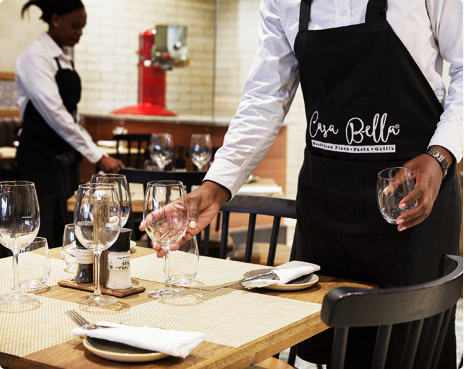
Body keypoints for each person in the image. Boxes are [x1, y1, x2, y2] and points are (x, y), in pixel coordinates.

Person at [143, 0, 462, 367]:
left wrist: (440, 155)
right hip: (327, 212)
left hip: (411, 206)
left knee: (406, 352)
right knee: (323, 343)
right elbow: (264, 99)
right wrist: (213, 188)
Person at [15, 0, 124, 248]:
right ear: (55, 19)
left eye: (83, 27)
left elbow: (70, 114)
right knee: (43, 237)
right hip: (39, 161)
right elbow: (56, 113)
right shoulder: (35, 56)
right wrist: (97, 154)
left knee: (66, 233)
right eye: (75, 26)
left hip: (63, 160)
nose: (79, 33)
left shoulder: (63, 56)